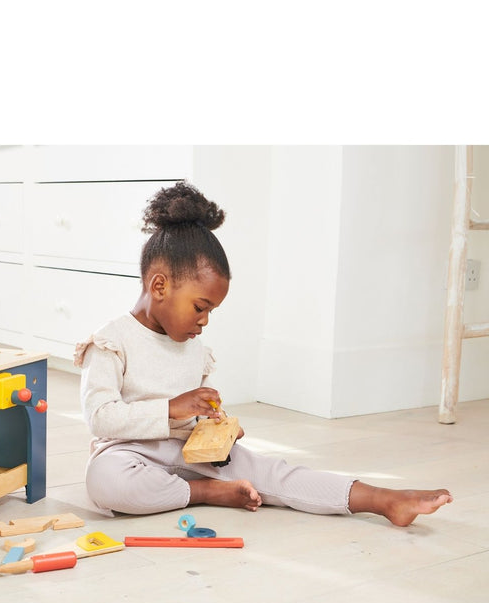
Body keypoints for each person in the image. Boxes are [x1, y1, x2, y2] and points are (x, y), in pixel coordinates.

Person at [73, 181, 453, 527]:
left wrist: (218, 432)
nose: (204, 321)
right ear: (159, 286)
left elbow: (197, 421)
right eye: (200, 307)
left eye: (211, 311)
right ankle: (205, 492)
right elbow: (101, 418)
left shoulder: (195, 348)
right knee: (106, 482)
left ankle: (382, 499)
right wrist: (172, 408)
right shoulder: (111, 341)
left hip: (190, 455)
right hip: (129, 456)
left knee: (275, 472)